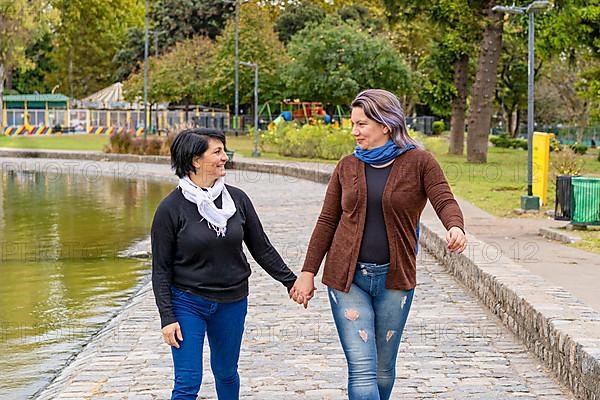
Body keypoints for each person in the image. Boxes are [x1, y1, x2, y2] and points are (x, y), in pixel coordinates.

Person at [290, 89, 467, 400]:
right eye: (353, 124)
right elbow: (327, 221)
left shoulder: (420, 162)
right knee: (361, 368)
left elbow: (444, 198)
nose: (354, 131)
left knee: (383, 369)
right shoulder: (347, 166)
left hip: (394, 280)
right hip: (347, 279)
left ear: (385, 125)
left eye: (362, 124)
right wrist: (307, 272)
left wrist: (455, 227)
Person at [151, 128, 297, 400]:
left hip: (232, 301)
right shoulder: (170, 209)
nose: (224, 158)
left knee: (227, 372)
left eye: (223, 151)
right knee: (187, 382)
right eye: (217, 152)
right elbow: (161, 269)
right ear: (195, 160)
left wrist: (291, 281)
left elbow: (261, 248)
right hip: (187, 302)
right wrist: (167, 317)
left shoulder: (238, 200)